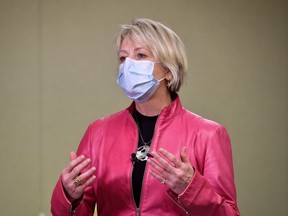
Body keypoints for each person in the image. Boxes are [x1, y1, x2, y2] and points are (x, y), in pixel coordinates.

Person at [51, 18, 240, 216]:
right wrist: (69, 196)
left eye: (141, 55)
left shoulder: (208, 134)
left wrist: (191, 188)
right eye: (123, 58)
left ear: (168, 70)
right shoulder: (98, 133)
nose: (128, 65)